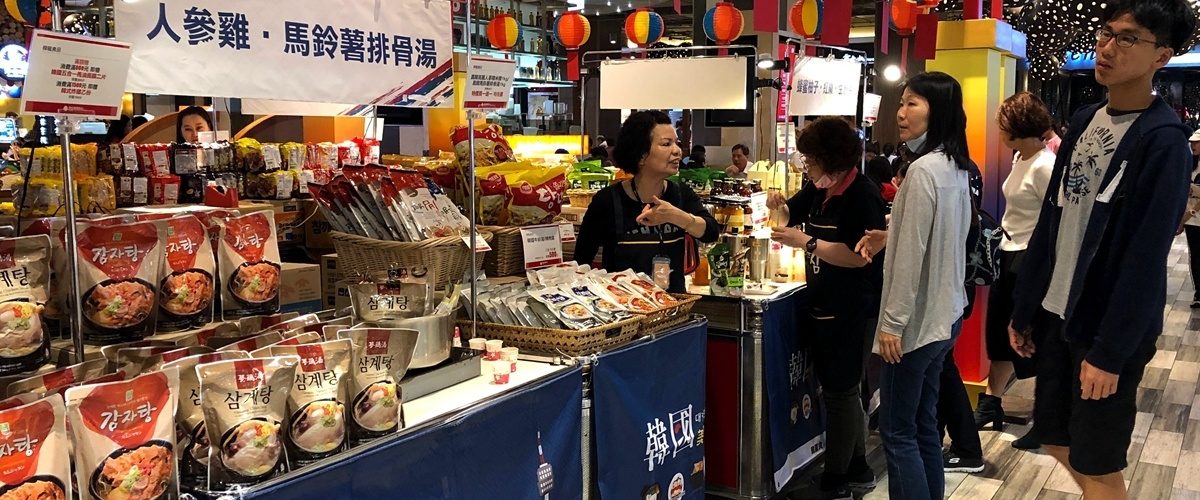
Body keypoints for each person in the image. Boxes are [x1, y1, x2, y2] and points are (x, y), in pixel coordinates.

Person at [1008, 1, 1197, 498]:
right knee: (1054, 438)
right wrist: (1025, 308)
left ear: (1162, 56)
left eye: (1128, 38)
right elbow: (1053, 220)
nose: (1107, 47)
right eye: (1106, 33)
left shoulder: (1164, 142)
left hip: (1106, 327)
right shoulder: (1085, 120)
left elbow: (1145, 258)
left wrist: (1111, 353)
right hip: (1058, 314)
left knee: (1096, 462)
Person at [767, 117, 885, 499]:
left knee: (841, 392)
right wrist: (777, 208)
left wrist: (807, 242)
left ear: (831, 158)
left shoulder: (862, 195)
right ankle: (857, 468)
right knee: (842, 390)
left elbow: (858, 256)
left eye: (811, 159)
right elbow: (789, 216)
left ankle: (836, 481)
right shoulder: (819, 189)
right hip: (823, 303)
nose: (808, 167)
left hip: (853, 307)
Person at [870, 71, 972, 500]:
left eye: (913, 103)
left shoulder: (923, 172)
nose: (901, 112)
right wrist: (890, 235)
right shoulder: (954, 166)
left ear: (938, 110)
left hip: (916, 325)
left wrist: (892, 324)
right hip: (945, 316)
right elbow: (941, 237)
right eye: (902, 102)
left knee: (897, 432)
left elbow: (912, 256)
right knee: (923, 425)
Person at [973, 92, 1056, 448]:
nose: (999, 129)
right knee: (998, 332)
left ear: (1018, 125)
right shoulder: (1021, 157)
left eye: (1003, 123)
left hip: (1030, 259)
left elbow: (1054, 222)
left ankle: (1046, 418)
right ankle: (992, 403)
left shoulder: (1045, 165)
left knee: (1032, 337)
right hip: (1008, 253)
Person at [574, 110, 720, 293]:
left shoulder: (681, 194)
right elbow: (581, 262)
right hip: (625, 305)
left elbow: (711, 232)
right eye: (666, 144)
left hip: (674, 303)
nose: (677, 150)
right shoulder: (607, 201)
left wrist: (676, 216)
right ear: (641, 155)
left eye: (676, 143)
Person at [1181, 130, 1200, 308]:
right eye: (1192, 142)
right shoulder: (1189, 164)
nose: (1193, 145)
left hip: (1192, 215)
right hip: (1192, 221)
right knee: (1195, 255)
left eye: (1197, 142)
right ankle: (1198, 292)